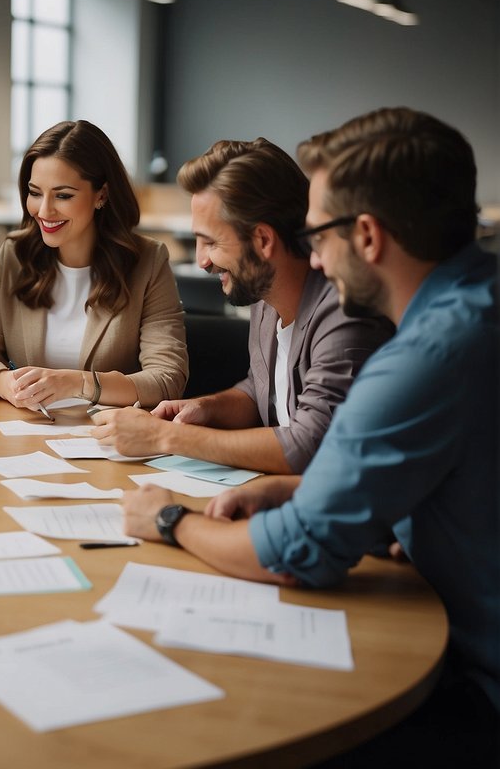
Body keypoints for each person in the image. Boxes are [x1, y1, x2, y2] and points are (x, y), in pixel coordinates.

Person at [121, 108, 498, 763]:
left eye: (318, 232)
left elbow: (297, 553)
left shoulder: (422, 358)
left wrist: (170, 518)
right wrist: (297, 489)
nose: (312, 253)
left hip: (471, 682)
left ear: (367, 236)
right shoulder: (475, 307)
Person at [90, 138, 391, 472]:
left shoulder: (344, 313)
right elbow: (261, 389)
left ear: (263, 240)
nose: (202, 261)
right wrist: (206, 408)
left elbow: (309, 445)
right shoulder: (264, 296)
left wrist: (163, 437)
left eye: (211, 242)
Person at [0, 120, 187, 411]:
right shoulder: (15, 253)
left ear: (101, 195)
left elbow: (168, 378)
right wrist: (8, 384)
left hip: (106, 440)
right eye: (35, 192)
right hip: (27, 436)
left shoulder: (148, 261)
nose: (43, 211)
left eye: (63, 195)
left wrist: (77, 383)